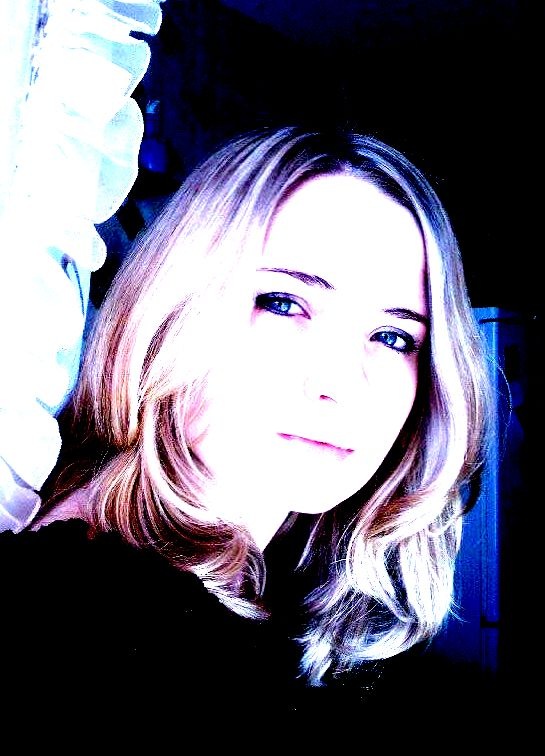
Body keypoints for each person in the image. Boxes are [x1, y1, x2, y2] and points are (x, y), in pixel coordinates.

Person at [0, 125, 492, 739]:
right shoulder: (69, 625)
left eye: (393, 337)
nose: (341, 383)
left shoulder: (298, 613)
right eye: (283, 303)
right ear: (168, 311)